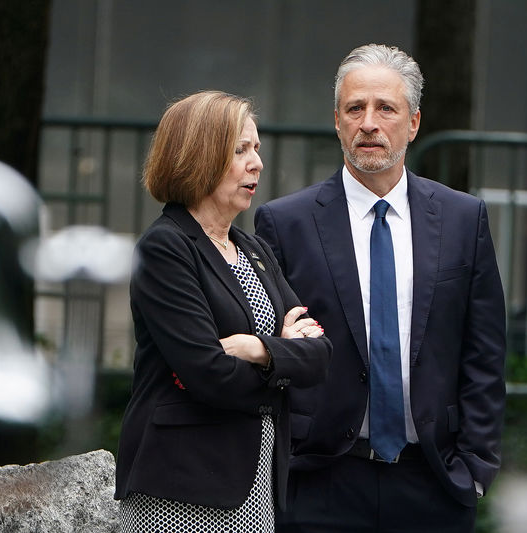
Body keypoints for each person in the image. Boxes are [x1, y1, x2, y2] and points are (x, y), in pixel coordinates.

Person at [254, 44, 506, 532]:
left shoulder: (461, 218)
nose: (369, 123)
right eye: (355, 108)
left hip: (433, 480)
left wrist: (475, 468)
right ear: (337, 121)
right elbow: (273, 349)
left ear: (412, 123)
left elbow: (485, 350)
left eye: (385, 108)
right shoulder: (285, 223)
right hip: (320, 481)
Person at [115, 90, 333, 532]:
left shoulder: (251, 248)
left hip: (256, 487)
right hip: (182, 487)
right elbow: (207, 372)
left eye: (257, 149)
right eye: (241, 150)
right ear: (199, 156)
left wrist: (258, 349)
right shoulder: (166, 247)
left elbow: (321, 353)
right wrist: (283, 358)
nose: (257, 163)